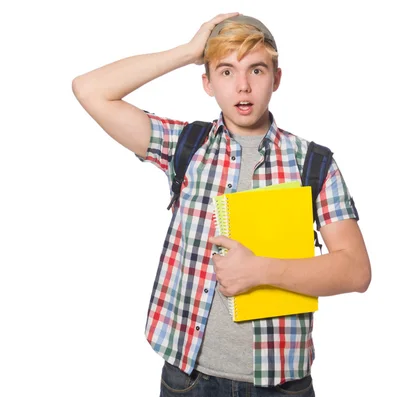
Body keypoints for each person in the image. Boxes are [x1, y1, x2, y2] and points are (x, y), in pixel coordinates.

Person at [72, 12, 371, 397]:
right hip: (189, 380)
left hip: (280, 386)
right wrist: (188, 51)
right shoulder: (186, 145)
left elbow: (356, 270)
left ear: (276, 78)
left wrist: (260, 270)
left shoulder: (313, 163)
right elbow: (89, 89)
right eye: (226, 71)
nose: (242, 87)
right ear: (207, 82)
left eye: (257, 70)